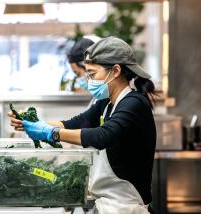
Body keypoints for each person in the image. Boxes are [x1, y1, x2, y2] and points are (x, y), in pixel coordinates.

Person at [9, 37, 156, 213]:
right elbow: (77, 123)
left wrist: (51, 133)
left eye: (92, 74)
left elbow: (103, 136)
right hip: (108, 202)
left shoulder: (134, 103)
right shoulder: (106, 102)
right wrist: (34, 124)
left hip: (127, 206)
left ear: (116, 71)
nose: (89, 79)